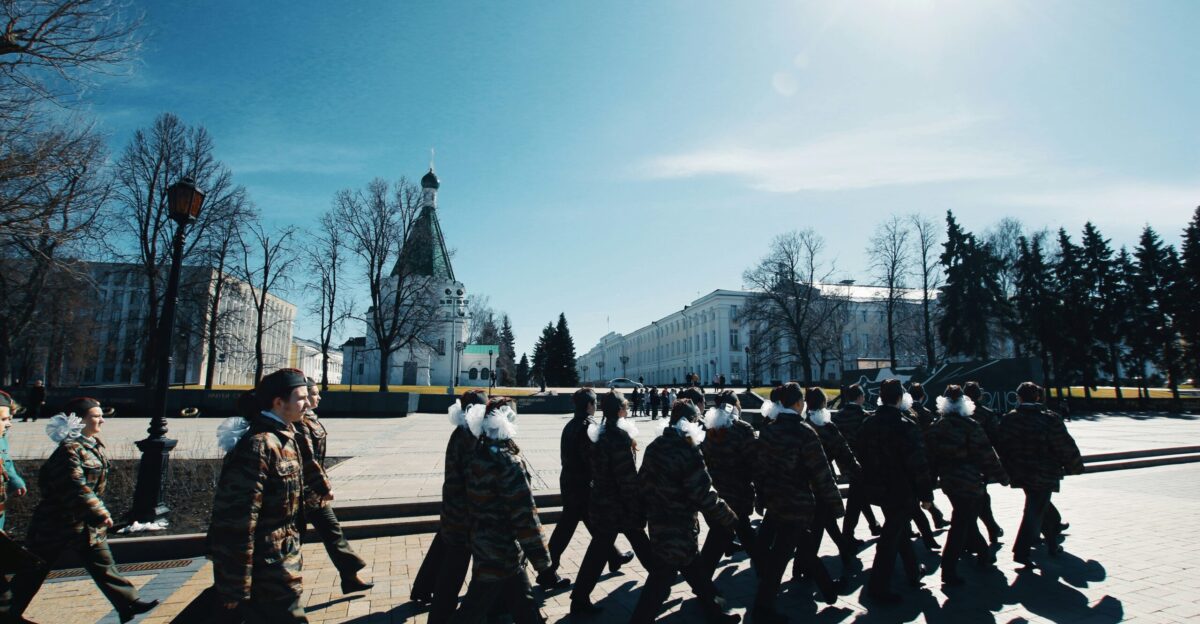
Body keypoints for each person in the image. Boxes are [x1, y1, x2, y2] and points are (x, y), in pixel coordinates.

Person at [3, 398, 159, 622]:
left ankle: (128, 603)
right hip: (55, 524)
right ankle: (8, 613)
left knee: (104, 564)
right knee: (33, 571)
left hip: (84, 524)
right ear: (79, 420)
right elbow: (75, 486)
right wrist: (99, 512)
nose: (102, 420)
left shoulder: (91, 445)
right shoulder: (69, 450)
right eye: (95, 416)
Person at [209, 369, 311, 622]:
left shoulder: (285, 437)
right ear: (279, 402)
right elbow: (238, 519)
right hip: (266, 569)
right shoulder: (259, 446)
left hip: (280, 561)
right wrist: (235, 582)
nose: (308, 404)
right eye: (301, 398)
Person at [631, 399, 740, 624]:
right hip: (679, 525)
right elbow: (702, 491)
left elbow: (642, 484)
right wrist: (727, 515)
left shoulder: (655, 446)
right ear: (689, 422)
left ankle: (716, 612)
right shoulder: (687, 450)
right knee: (661, 579)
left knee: (694, 570)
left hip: (659, 523)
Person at [452, 398, 553, 623]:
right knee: (473, 609)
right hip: (501, 550)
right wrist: (541, 558)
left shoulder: (478, 454)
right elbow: (524, 515)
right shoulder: (508, 463)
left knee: (522, 603)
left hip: (483, 543)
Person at [752, 383, 844, 622]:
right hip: (797, 502)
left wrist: (761, 497)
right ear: (797, 404)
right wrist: (835, 504)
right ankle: (762, 608)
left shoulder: (769, 430)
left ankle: (829, 591)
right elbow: (821, 473)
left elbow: (759, 469)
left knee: (803, 544)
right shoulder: (804, 432)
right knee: (781, 556)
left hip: (776, 499)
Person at [570, 392, 654, 616]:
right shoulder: (618, 438)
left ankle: (579, 598)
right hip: (618, 505)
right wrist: (635, 506)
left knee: (604, 549)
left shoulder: (599, 433)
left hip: (601, 500)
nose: (627, 410)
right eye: (625, 407)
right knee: (628, 543)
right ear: (619, 410)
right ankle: (660, 579)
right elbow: (626, 478)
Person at [412, 390, 489, 622]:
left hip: (454, 509)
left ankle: (423, 589)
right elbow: (474, 478)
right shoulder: (470, 438)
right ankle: (441, 614)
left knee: (445, 551)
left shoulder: (463, 432)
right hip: (464, 513)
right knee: (455, 569)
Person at [292, 378, 372, 597]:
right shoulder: (299, 422)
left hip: (312, 495)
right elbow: (308, 458)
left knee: (333, 532)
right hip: (301, 494)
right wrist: (323, 486)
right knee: (292, 541)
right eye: (315, 393)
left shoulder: (309, 419)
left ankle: (350, 576)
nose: (319, 397)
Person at [858, 379, 934, 604]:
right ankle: (879, 586)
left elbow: (860, 452)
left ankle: (912, 571)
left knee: (897, 530)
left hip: (878, 487)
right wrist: (926, 495)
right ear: (900, 398)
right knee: (891, 536)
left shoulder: (868, 423)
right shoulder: (905, 425)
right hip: (901, 488)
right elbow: (918, 463)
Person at [544, 390, 625, 592]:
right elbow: (591, 459)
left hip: (569, 481)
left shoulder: (570, 425)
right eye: (594, 402)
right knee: (567, 527)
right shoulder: (588, 426)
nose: (596, 406)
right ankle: (546, 572)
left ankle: (614, 556)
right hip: (582, 484)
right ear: (589, 405)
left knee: (582, 521)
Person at [996, 382, 1083, 567]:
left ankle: (1052, 545)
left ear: (1018, 397)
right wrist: (1074, 466)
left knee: (1040, 508)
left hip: (1021, 472)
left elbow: (1002, 446)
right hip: (1045, 472)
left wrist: (1006, 469)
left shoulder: (1010, 419)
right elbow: (1064, 444)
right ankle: (1021, 551)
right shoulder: (1049, 418)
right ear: (1037, 397)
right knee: (1034, 511)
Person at [928, 386, 1009, 585]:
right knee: (961, 523)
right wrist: (1002, 476)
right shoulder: (971, 426)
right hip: (970, 480)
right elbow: (986, 455)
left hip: (949, 481)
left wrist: (928, 484)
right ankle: (948, 569)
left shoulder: (937, 426)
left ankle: (983, 553)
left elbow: (930, 458)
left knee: (965, 518)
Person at [698, 390, 759, 576]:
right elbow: (754, 462)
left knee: (737, 531)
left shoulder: (708, 429)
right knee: (730, 533)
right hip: (738, 492)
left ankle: (766, 570)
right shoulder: (742, 429)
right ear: (734, 406)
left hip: (717, 492)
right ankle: (701, 580)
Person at [800, 387, 859, 571]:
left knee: (824, 522)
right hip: (823, 480)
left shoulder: (804, 424)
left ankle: (806, 564)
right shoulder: (826, 426)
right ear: (824, 404)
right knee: (821, 523)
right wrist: (855, 470)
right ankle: (806, 565)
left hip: (806, 483)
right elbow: (843, 451)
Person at [833, 385, 881, 541]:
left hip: (845, 461)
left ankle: (873, 525)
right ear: (860, 397)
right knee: (856, 499)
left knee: (858, 494)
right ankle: (848, 534)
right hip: (862, 462)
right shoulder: (864, 416)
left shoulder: (838, 416)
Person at [905, 383, 947, 551]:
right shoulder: (925, 414)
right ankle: (934, 522)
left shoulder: (905, 412)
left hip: (909, 461)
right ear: (922, 396)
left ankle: (934, 518)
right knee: (921, 495)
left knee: (914, 498)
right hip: (925, 459)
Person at [963, 382, 1005, 543]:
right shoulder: (986, 414)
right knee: (981, 497)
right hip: (981, 463)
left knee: (973, 499)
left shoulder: (959, 414)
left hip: (962, 463)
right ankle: (990, 529)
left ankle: (984, 531)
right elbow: (996, 440)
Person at [0, 390, 28, 532]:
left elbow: (6, 463)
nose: (9, 424)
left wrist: (14, 480)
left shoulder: (1, 441)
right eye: (4, 419)